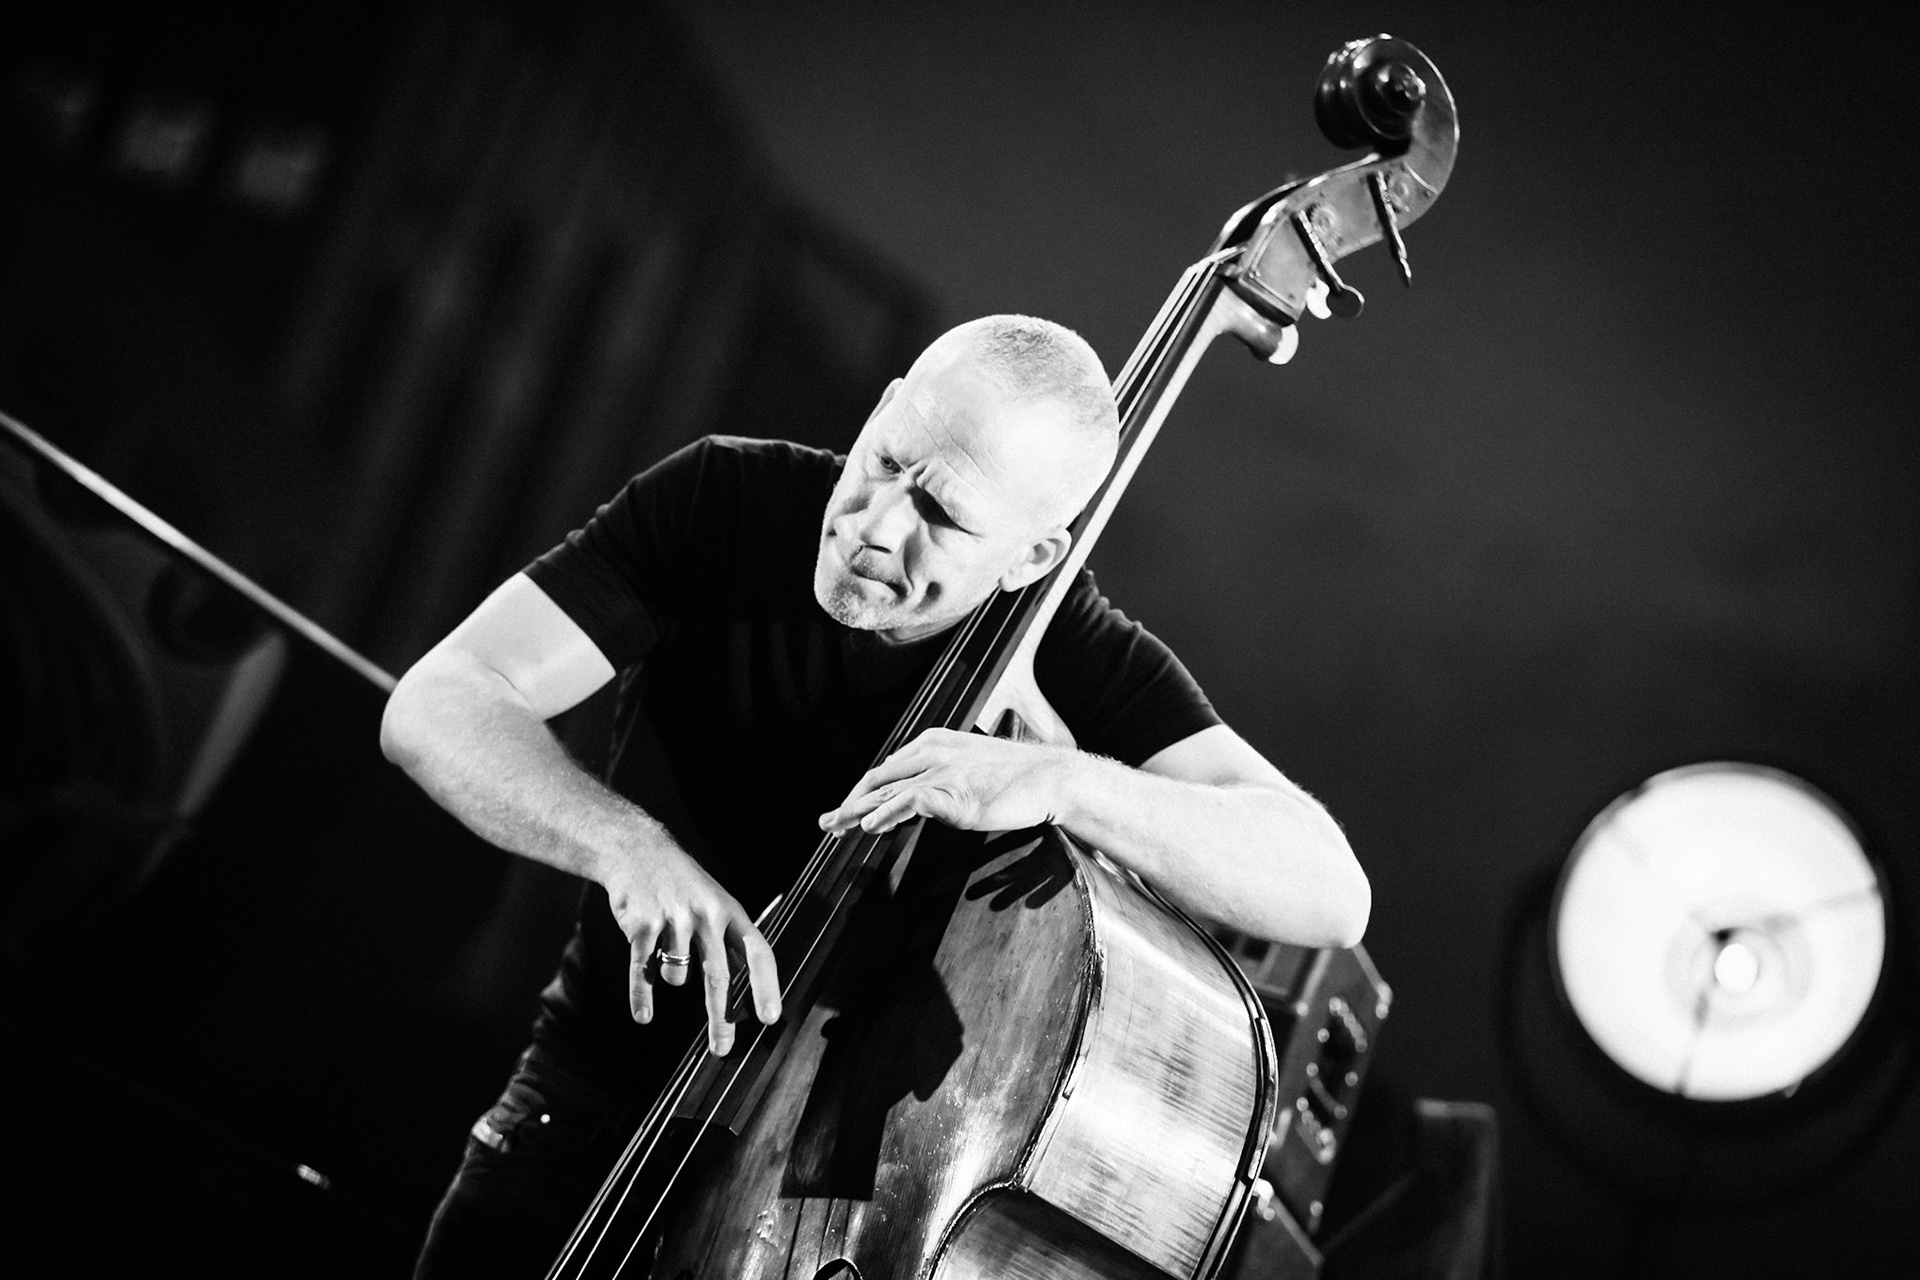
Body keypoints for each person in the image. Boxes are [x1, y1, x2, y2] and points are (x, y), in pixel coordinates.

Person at [381, 314, 1369, 1277]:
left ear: (1033, 556)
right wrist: (624, 845)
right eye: (888, 461)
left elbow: (1329, 887)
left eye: (943, 516)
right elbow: (440, 700)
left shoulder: (1069, 649)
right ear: (887, 405)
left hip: (820, 1216)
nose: (877, 525)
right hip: (578, 1115)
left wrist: (1064, 781)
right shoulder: (724, 497)